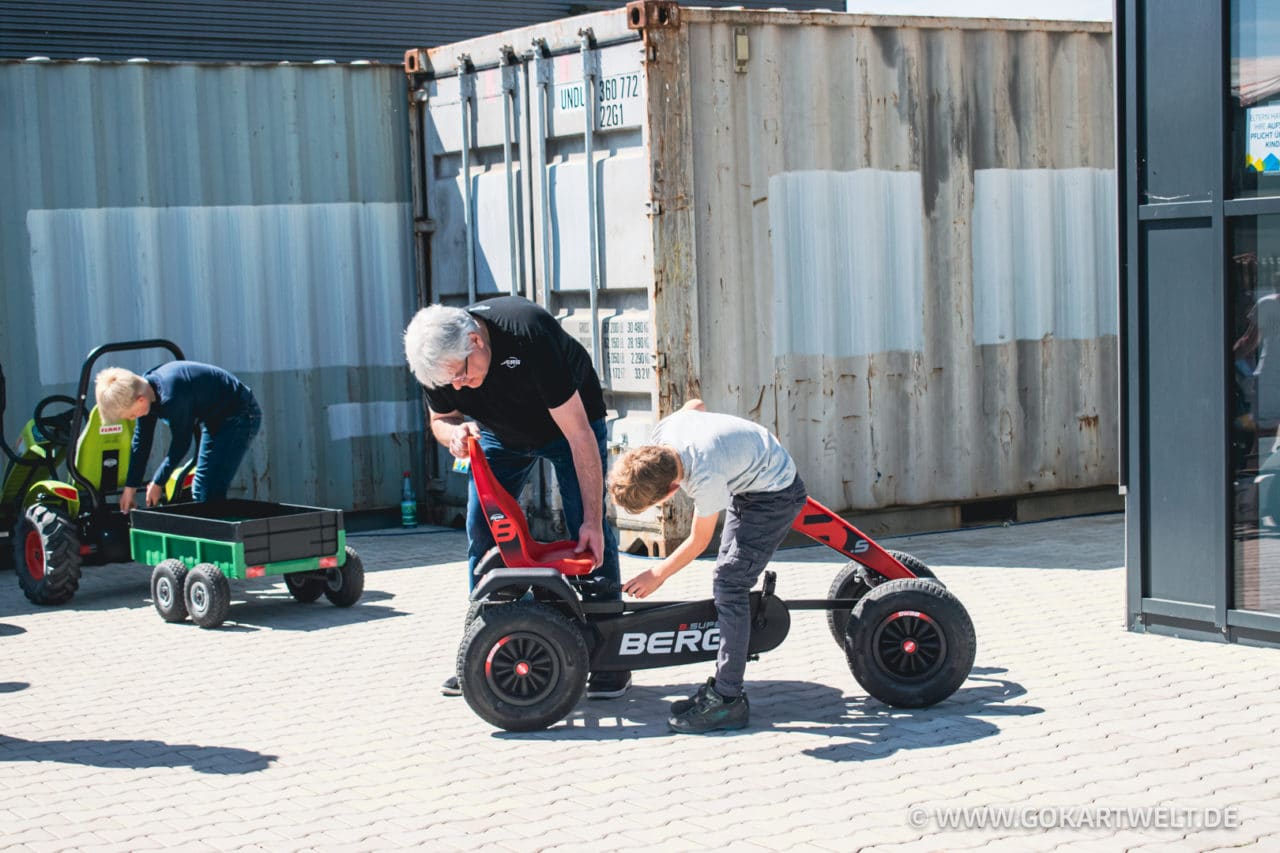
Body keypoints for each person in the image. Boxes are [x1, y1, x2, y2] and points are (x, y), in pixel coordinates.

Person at [402, 295, 630, 700]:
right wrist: (453, 434)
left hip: (566, 428)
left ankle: (609, 652)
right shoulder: (437, 361)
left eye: (462, 375)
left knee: (588, 531)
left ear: (476, 341)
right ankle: (487, 643)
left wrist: (593, 520)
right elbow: (441, 420)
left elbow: (579, 435)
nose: (458, 386)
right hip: (498, 433)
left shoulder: (529, 333)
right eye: (447, 382)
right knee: (483, 531)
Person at [609, 400, 807, 734]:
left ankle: (728, 700)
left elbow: (699, 541)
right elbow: (695, 404)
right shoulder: (665, 432)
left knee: (730, 584)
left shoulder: (704, 476)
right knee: (726, 577)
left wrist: (657, 573)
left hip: (773, 495)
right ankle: (723, 687)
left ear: (671, 491)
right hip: (750, 478)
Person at [94, 361, 262, 513]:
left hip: (241, 415)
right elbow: (141, 442)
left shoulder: (171, 398)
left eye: (131, 415)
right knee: (203, 490)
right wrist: (130, 488)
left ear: (140, 400)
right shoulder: (146, 387)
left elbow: (181, 444)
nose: (132, 419)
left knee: (208, 489)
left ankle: (224, 540)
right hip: (216, 419)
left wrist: (158, 481)